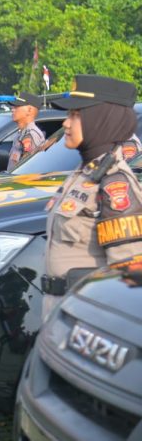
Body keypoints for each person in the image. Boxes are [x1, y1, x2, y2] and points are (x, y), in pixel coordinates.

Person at [43, 75, 142, 319]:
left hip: (85, 320)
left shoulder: (114, 184)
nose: (65, 124)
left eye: (75, 115)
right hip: (60, 312)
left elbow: (128, 277)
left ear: (100, 119)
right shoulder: (86, 173)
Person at [6, 93, 45, 171]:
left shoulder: (31, 134)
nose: (12, 109)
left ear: (29, 110)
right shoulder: (21, 133)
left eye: (17, 106)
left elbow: (29, 168)